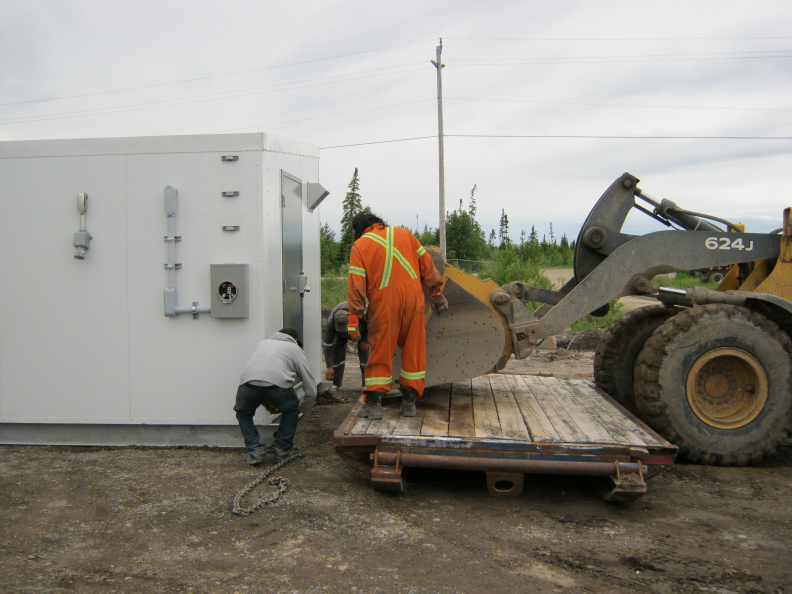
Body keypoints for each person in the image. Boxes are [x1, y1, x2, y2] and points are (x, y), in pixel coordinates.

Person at [346, 212, 449, 420]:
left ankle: (374, 405)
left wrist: (353, 317)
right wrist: (436, 291)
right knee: (414, 349)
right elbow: (426, 263)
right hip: (414, 299)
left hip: (384, 303)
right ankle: (409, 403)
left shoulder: (360, 245)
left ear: (359, 229)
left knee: (381, 350)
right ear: (378, 222)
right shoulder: (405, 234)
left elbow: (356, 284)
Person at [233, 328, 317, 465]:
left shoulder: (262, 344)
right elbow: (311, 389)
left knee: (243, 413)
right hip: (278, 386)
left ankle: (255, 451)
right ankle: (282, 450)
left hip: (247, 383)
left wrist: (269, 406)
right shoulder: (294, 348)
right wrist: (301, 408)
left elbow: (261, 380)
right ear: (295, 340)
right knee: (290, 411)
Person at [323, 301, 369, 390]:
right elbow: (327, 344)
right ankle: (336, 383)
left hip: (362, 330)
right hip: (340, 335)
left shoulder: (362, 313)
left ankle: (366, 384)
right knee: (336, 355)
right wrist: (329, 366)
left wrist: (366, 340)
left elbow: (372, 324)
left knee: (365, 354)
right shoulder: (331, 322)